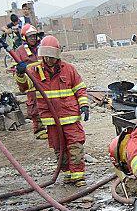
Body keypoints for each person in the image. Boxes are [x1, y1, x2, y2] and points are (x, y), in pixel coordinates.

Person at [19, 35, 89, 186]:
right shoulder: (34, 71)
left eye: (52, 57)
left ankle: (79, 176)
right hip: (51, 120)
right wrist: (20, 74)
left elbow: (80, 89)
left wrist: (84, 105)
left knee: (75, 146)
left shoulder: (68, 69)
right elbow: (23, 87)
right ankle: (68, 173)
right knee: (59, 148)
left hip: (70, 117)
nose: (49, 60)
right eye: (46, 57)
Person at [12, 24, 47, 140]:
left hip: (44, 81)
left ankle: (50, 127)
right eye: (30, 36)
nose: (33, 38)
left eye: (34, 36)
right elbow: (16, 70)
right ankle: (39, 130)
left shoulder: (41, 48)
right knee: (34, 107)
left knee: (48, 103)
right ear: (24, 38)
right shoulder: (20, 51)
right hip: (31, 84)